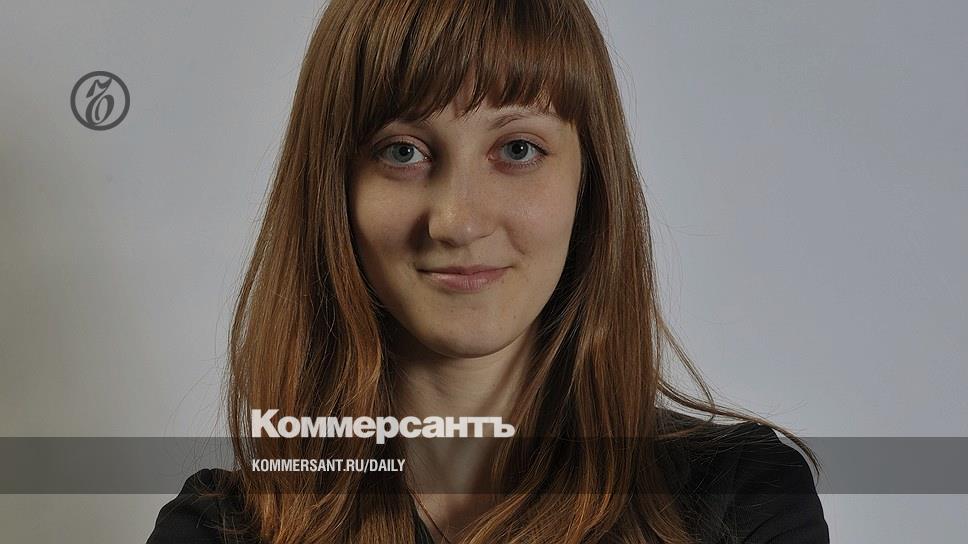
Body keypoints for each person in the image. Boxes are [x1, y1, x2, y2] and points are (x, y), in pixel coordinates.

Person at [147, 0, 830, 542]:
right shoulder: (219, 529)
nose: (457, 220)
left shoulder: (741, 499)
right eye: (403, 151)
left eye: (518, 149)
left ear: (590, 184)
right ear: (334, 192)